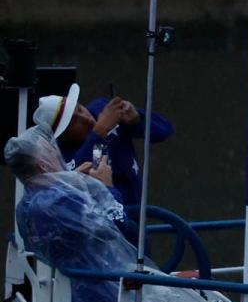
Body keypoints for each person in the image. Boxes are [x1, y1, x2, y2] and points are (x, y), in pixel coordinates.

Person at [6, 124, 137, 302]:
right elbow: (116, 226)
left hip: (76, 291)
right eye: (49, 150)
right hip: (102, 292)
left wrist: (78, 185)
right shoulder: (57, 201)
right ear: (43, 164)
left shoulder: (29, 203)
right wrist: (106, 188)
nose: (56, 152)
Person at [37, 83, 174, 208]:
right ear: (62, 136)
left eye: (79, 109)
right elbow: (98, 166)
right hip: (110, 223)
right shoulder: (60, 157)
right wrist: (99, 132)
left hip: (139, 212)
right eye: (73, 122)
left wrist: (136, 119)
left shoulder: (101, 108)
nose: (85, 118)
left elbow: (164, 131)